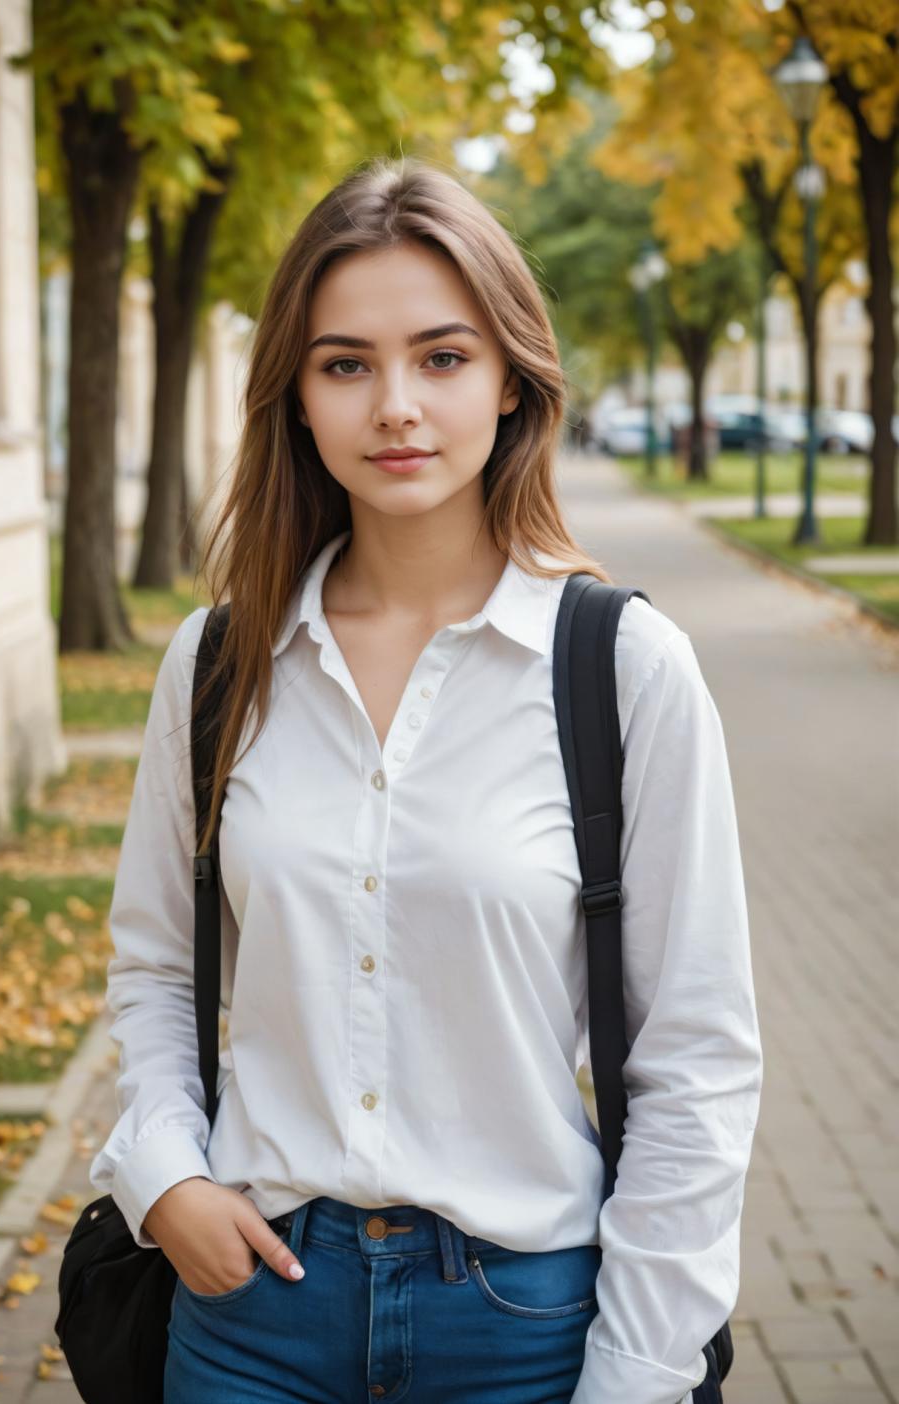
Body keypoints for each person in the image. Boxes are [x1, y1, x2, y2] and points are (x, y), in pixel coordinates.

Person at [89, 155, 762, 1404]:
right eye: (346, 364)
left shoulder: (623, 668)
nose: (395, 403)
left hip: (525, 1322)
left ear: (512, 380)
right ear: (295, 396)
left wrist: (639, 1374)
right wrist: (165, 1177)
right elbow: (156, 970)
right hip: (250, 1313)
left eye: (442, 358)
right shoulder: (216, 664)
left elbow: (698, 1061)